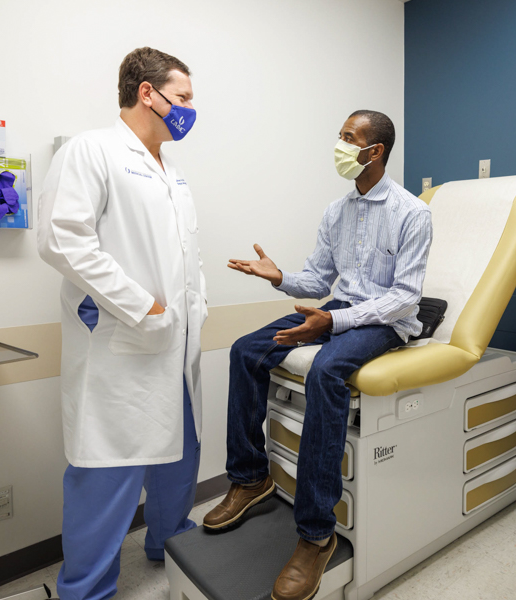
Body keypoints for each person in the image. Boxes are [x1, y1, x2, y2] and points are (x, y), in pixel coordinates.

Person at [204, 110, 432, 600]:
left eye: (349, 138)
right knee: (246, 350)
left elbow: (406, 297)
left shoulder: (413, 213)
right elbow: (317, 281)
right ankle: (250, 478)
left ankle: (316, 534)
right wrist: (279, 276)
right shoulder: (337, 211)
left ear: (376, 152)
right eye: (340, 136)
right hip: (338, 310)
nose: (340, 145)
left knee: (327, 371)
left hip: (385, 322)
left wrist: (335, 321)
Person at [38, 47, 206, 600]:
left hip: (175, 347)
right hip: (124, 343)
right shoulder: (94, 150)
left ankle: (169, 542)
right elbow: (63, 239)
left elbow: (184, 257)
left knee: (179, 457)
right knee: (108, 471)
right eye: (182, 97)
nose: (188, 109)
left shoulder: (172, 173)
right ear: (147, 93)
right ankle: (85, 588)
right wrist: (144, 307)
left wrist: (190, 310)